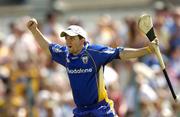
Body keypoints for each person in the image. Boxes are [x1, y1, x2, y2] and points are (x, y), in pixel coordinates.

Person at [26, 18, 158, 117]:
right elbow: (46, 47)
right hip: (81, 111)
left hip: (100, 109)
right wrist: (34, 30)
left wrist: (146, 50)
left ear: (82, 40)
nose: (67, 41)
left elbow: (121, 53)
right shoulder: (65, 54)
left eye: (72, 38)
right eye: (66, 38)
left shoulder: (95, 52)